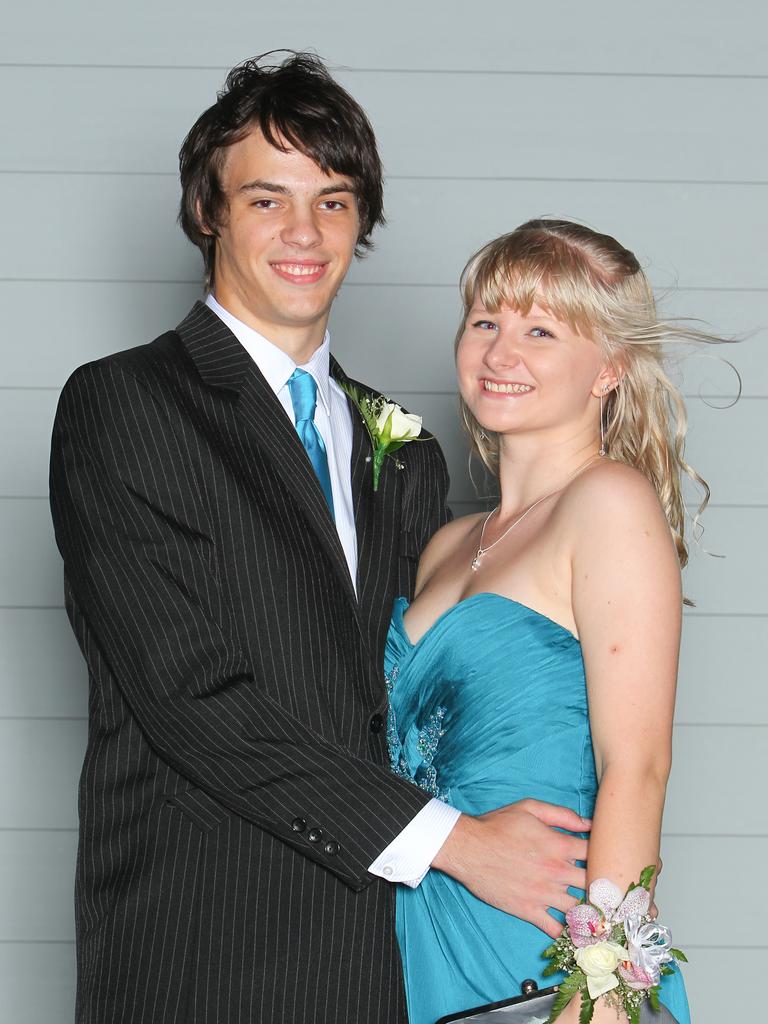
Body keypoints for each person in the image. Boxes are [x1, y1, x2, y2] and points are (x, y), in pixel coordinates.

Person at [49, 57, 590, 1024]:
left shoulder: (406, 449)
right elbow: (189, 697)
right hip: (204, 947)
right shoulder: (123, 404)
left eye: (334, 202)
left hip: (394, 961)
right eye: (269, 198)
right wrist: (456, 842)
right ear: (208, 212)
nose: (305, 233)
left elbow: (432, 693)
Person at [386, 219, 700, 1024]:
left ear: (610, 369)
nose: (499, 353)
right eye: (485, 322)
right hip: (424, 927)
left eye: (540, 330)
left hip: (542, 947)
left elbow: (638, 767)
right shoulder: (450, 545)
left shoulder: (610, 502)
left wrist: (604, 992)